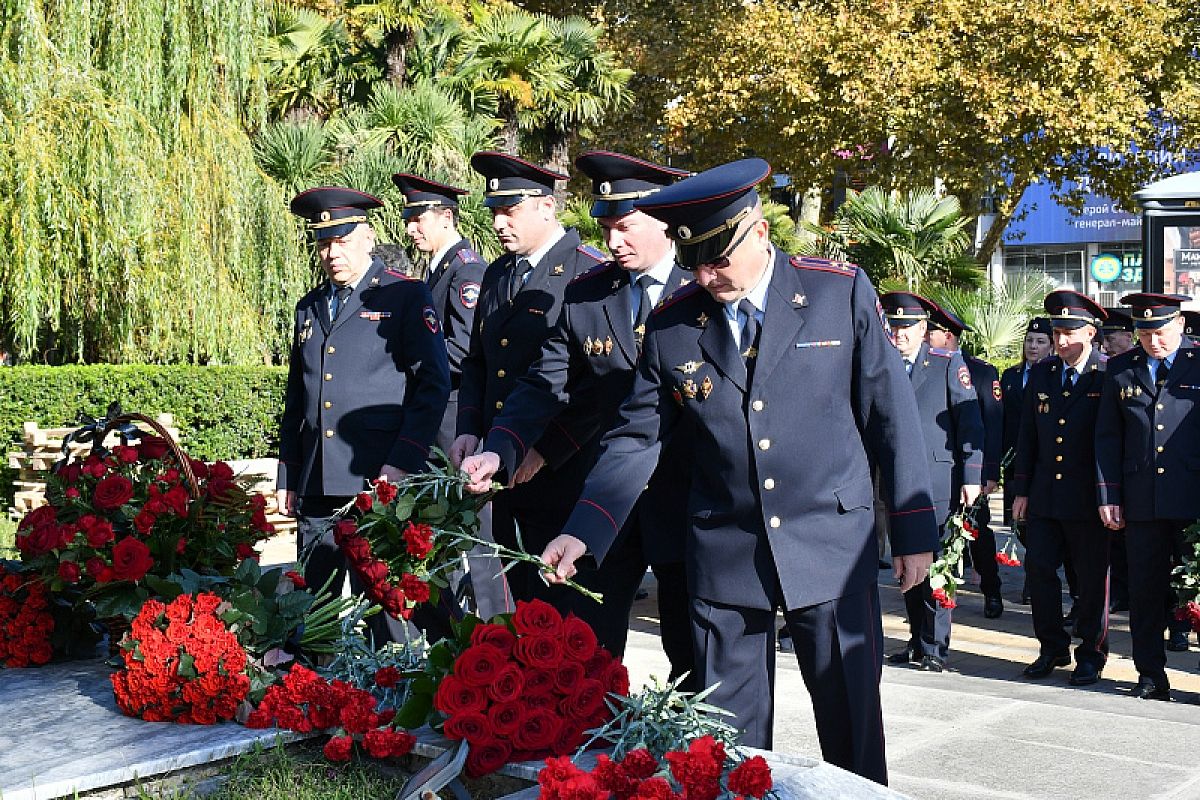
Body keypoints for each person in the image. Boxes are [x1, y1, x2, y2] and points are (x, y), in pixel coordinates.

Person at [533, 159, 938, 785]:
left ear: (757, 232)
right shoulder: (672, 325)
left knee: (851, 725)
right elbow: (637, 435)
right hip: (725, 555)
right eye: (693, 261)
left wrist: (912, 531)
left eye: (718, 258)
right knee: (726, 748)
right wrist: (585, 527)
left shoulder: (837, 293)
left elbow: (890, 415)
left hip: (829, 545)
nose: (706, 275)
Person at [461, 151, 695, 682]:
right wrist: (503, 447)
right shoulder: (590, 293)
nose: (614, 241)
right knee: (585, 650)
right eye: (607, 227)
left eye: (627, 226)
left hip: (686, 502)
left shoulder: (698, 289)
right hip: (602, 499)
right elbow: (546, 382)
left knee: (695, 661)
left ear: (663, 221)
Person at [277, 186, 451, 645]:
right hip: (318, 484)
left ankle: (392, 695)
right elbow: (298, 397)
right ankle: (318, 694)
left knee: (388, 607)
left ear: (368, 236)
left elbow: (432, 384)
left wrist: (403, 461)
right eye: (323, 243)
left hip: (376, 480)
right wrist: (288, 475)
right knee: (312, 609)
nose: (332, 254)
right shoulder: (309, 307)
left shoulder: (404, 295)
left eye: (342, 240)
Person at [449, 152, 605, 603]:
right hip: (506, 469)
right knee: (521, 607)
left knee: (568, 614)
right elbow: (480, 360)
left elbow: (595, 384)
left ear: (547, 207)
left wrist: (544, 448)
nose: (500, 223)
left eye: (510, 211)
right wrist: (470, 429)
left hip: (565, 473)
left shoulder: (587, 272)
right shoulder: (498, 273)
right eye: (495, 212)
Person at [393, 172, 509, 621]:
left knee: (476, 535)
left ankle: (496, 630)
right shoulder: (439, 269)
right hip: (437, 419)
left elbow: (463, 350)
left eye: (418, 217)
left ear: (445, 216)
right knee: (443, 533)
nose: (410, 227)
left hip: (455, 419)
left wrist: (411, 365)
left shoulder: (467, 271)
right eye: (407, 218)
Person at [1095, 292, 1200, 700]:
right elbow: (1107, 437)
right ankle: (1150, 673)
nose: (1152, 339)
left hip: (1192, 499)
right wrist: (1109, 494)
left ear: (1180, 325)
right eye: (1144, 331)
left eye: (1159, 330)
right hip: (1142, 499)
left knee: (1195, 589)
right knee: (1145, 590)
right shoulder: (1122, 369)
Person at [1011, 291, 1110, 686]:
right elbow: (1028, 436)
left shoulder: (1107, 373)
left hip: (1088, 499)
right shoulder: (1044, 373)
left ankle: (1091, 652)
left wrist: (1111, 496)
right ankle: (1051, 646)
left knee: (1089, 579)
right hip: (1045, 496)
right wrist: (1020, 489)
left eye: (1069, 332)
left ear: (1090, 332)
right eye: (1057, 332)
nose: (1061, 340)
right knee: (1039, 572)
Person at [881, 292, 984, 672]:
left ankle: (935, 645)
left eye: (906, 327)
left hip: (938, 478)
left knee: (937, 565)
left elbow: (969, 423)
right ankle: (915, 638)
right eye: (893, 326)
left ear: (924, 330)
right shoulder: (884, 364)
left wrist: (972, 476)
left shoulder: (946, 364)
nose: (898, 334)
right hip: (898, 483)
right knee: (907, 563)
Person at [926, 305, 1004, 618]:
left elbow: (993, 425)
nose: (925, 337)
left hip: (972, 469)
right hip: (939, 467)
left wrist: (988, 471)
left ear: (947, 336)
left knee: (977, 531)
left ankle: (992, 590)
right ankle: (936, 600)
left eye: (930, 332)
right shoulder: (924, 368)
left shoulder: (982, 372)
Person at [1000, 318, 1054, 605]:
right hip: (1014, 462)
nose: (1033, 347)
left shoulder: (1053, 375)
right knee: (1018, 523)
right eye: (1030, 341)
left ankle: (1035, 580)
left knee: (1037, 524)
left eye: (1040, 342)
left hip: (1044, 463)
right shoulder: (1010, 376)